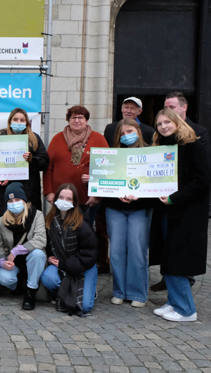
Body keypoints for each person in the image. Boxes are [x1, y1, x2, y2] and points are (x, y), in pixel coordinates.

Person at [149, 109, 210, 322]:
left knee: (177, 259)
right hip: (167, 213)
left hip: (186, 215)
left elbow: (202, 181)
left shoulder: (193, 146)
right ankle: (174, 302)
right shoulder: (162, 149)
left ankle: (186, 309)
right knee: (168, 257)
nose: (163, 126)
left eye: (167, 122)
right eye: (159, 124)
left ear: (177, 122)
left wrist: (175, 198)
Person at [89, 119, 153, 308]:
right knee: (116, 251)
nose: (126, 136)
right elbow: (104, 183)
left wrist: (138, 198)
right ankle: (119, 291)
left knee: (137, 251)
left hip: (139, 208)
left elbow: (154, 186)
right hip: (114, 207)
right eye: (122, 133)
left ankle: (138, 293)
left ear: (139, 132)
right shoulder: (112, 155)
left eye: (130, 131)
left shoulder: (149, 153)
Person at [43, 106, 108, 226]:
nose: (76, 120)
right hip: (62, 197)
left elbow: (106, 169)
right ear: (68, 120)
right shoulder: (57, 139)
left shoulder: (98, 139)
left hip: (87, 198)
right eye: (73, 117)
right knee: (61, 229)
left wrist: (97, 196)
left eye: (80, 117)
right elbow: (48, 168)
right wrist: (49, 192)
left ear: (86, 120)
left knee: (84, 230)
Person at [41, 184, 98, 316]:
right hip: (60, 263)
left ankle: (88, 291)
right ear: (55, 199)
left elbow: (89, 254)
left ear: (74, 202)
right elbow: (49, 245)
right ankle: (65, 293)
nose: (64, 201)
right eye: (61, 197)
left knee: (85, 306)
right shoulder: (50, 221)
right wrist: (50, 256)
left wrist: (64, 264)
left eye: (68, 199)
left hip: (84, 265)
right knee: (48, 278)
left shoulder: (83, 224)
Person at [0, 109, 50, 216]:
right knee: (4, 221)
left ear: (27, 123)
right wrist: (0, 176)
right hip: (3, 190)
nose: (18, 122)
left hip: (28, 190)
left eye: (22, 120)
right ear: (10, 122)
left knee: (27, 220)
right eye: (15, 119)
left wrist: (32, 159)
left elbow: (45, 162)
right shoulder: (1, 138)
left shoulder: (34, 139)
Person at [0, 182, 47, 310]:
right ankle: (17, 287)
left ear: (24, 201)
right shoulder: (0, 222)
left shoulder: (36, 215)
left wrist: (17, 251)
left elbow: (40, 239)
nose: (14, 203)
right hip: (13, 262)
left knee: (38, 253)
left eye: (17, 199)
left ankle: (30, 292)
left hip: (32, 258)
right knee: (3, 277)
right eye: (10, 200)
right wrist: (2, 262)